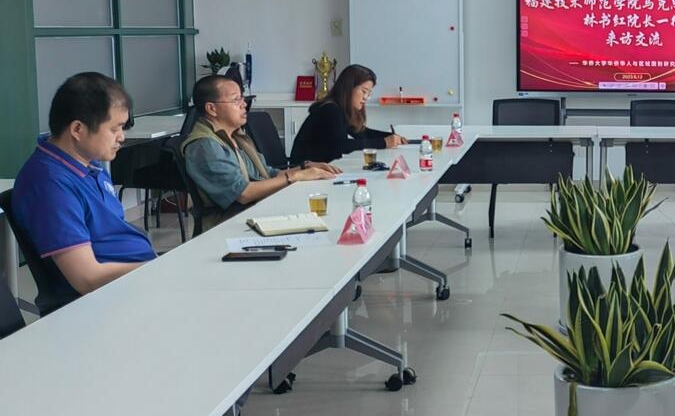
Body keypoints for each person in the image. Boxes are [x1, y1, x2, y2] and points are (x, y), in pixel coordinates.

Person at [10, 73, 154, 314]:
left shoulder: (88, 164)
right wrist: (157, 268)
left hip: (132, 281)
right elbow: (87, 279)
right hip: (104, 304)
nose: (121, 137)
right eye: (115, 128)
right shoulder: (50, 184)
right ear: (78, 129)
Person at [181, 75, 336, 221]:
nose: (244, 105)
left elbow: (268, 173)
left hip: (256, 211)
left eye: (242, 98)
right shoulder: (205, 146)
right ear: (211, 109)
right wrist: (295, 177)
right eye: (236, 100)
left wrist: (305, 168)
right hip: (231, 223)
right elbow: (243, 193)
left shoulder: (235, 137)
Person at [288, 64, 406, 166]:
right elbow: (342, 145)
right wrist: (384, 142)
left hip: (320, 168)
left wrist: (391, 137)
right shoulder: (330, 109)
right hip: (304, 173)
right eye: (364, 91)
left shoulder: (340, 108)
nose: (366, 97)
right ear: (349, 88)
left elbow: (361, 133)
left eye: (369, 93)